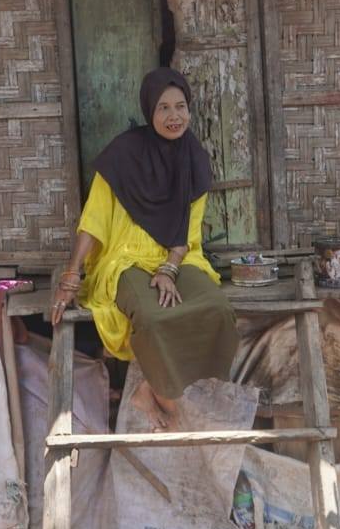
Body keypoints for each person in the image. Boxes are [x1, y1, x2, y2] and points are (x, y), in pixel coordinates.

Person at [51, 67, 238, 431]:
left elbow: (188, 229)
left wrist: (169, 269)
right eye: (163, 108)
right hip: (125, 258)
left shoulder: (194, 158)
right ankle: (161, 396)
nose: (174, 116)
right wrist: (71, 276)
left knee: (217, 308)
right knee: (152, 317)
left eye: (180, 106)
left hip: (178, 255)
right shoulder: (123, 154)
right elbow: (94, 220)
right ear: (150, 112)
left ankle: (158, 389)